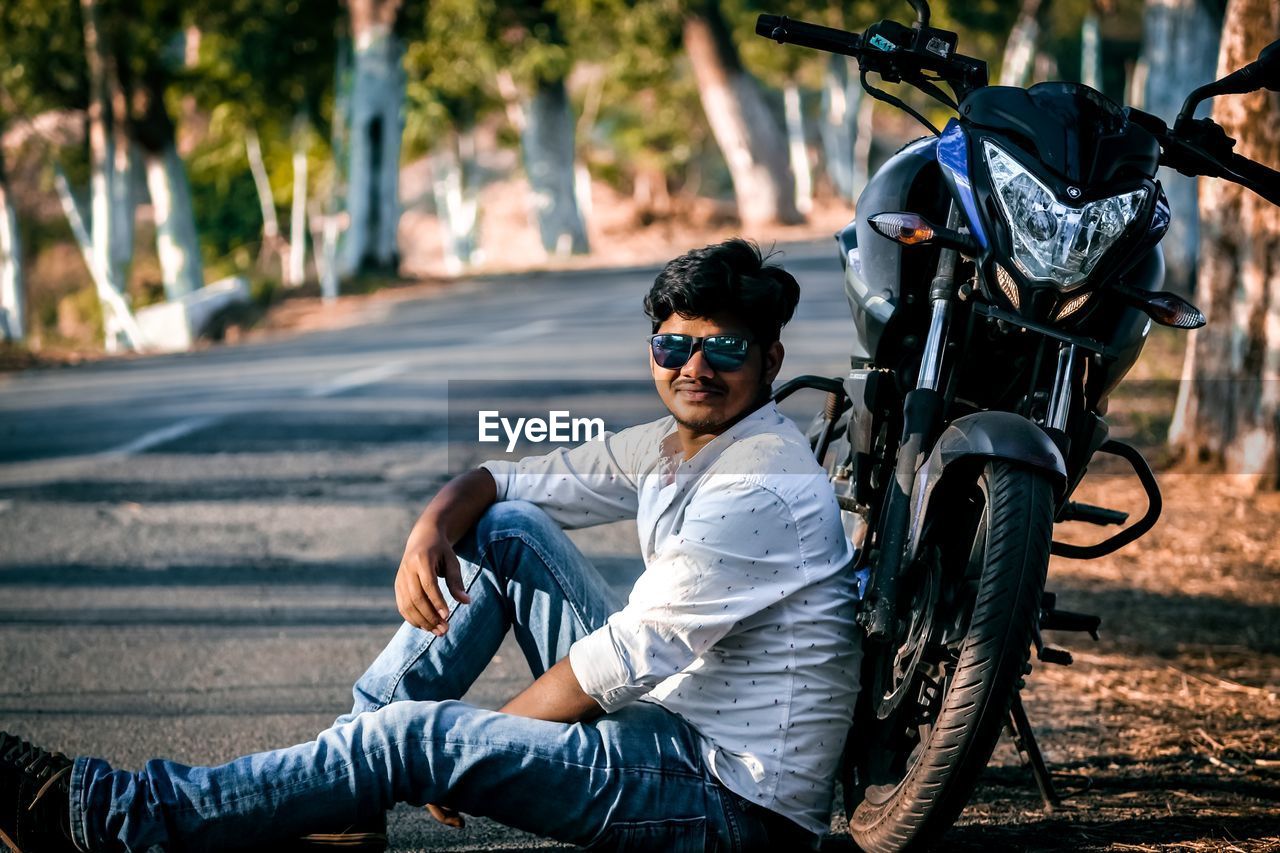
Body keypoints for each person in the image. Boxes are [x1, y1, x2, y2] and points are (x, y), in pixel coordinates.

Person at [0, 238, 862, 853]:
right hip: (676, 727)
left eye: (724, 347)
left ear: (771, 357)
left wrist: (460, 751)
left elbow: (622, 659)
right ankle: (345, 795)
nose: (694, 367)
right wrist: (429, 526)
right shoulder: (681, 443)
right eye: (674, 344)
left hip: (731, 805)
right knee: (504, 533)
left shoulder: (761, 484)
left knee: (414, 739)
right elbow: (512, 480)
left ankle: (108, 815)